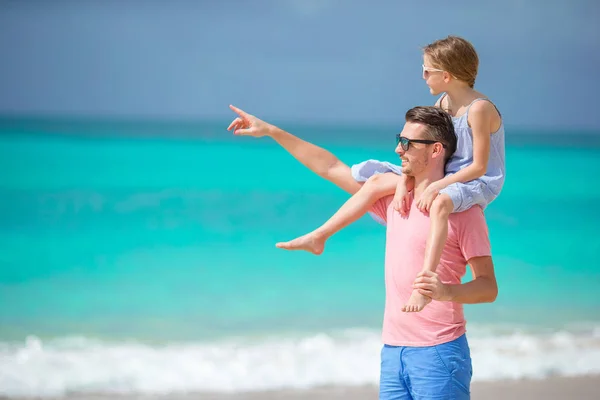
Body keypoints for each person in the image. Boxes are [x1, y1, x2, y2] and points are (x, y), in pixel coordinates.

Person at [227, 104, 498, 399]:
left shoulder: (463, 212)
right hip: (393, 350)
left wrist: (445, 292)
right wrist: (272, 131)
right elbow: (331, 168)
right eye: (399, 139)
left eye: (408, 143)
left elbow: (488, 287)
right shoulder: (396, 200)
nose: (398, 149)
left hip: (439, 352)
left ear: (435, 150)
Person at [276, 35, 505, 313]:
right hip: (444, 175)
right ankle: (320, 236)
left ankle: (424, 286)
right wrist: (403, 183)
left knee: (442, 202)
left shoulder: (479, 109)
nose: (422, 76)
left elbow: (479, 167)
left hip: (476, 181)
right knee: (374, 182)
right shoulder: (443, 103)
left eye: (427, 70)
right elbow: (423, 148)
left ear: (446, 75)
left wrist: (436, 187)